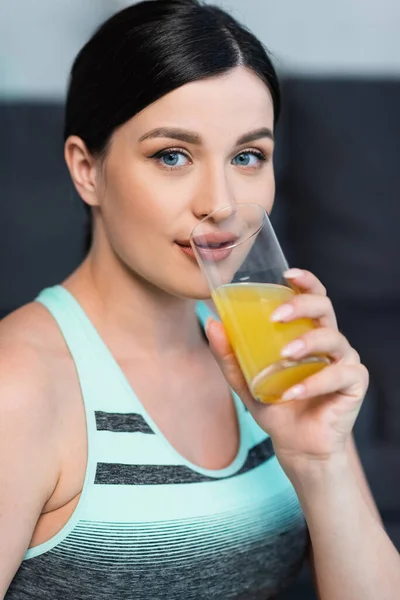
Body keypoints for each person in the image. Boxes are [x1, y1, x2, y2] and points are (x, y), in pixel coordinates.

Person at [1, 1, 399, 598]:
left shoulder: (271, 357)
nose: (221, 202)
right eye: (172, 155)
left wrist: (323, 460)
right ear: (87, 169)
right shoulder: (19, 386)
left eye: (247, 156)